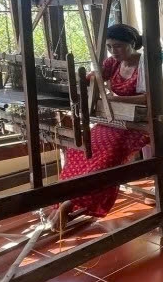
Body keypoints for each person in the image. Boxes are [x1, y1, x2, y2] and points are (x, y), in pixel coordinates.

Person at [50, 24, 151, 225]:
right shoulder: (112, 63)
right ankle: (65, 198)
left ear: (132, 43)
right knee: (81, 149)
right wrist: (71, 82)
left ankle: (70, 204)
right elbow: (92, 78)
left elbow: (148, 99)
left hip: (137, 123)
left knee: (106, 158)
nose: (114, 51)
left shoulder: (145, 65)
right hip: (112, 119)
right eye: (110, 46)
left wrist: (114, 100)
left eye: (119, 46)